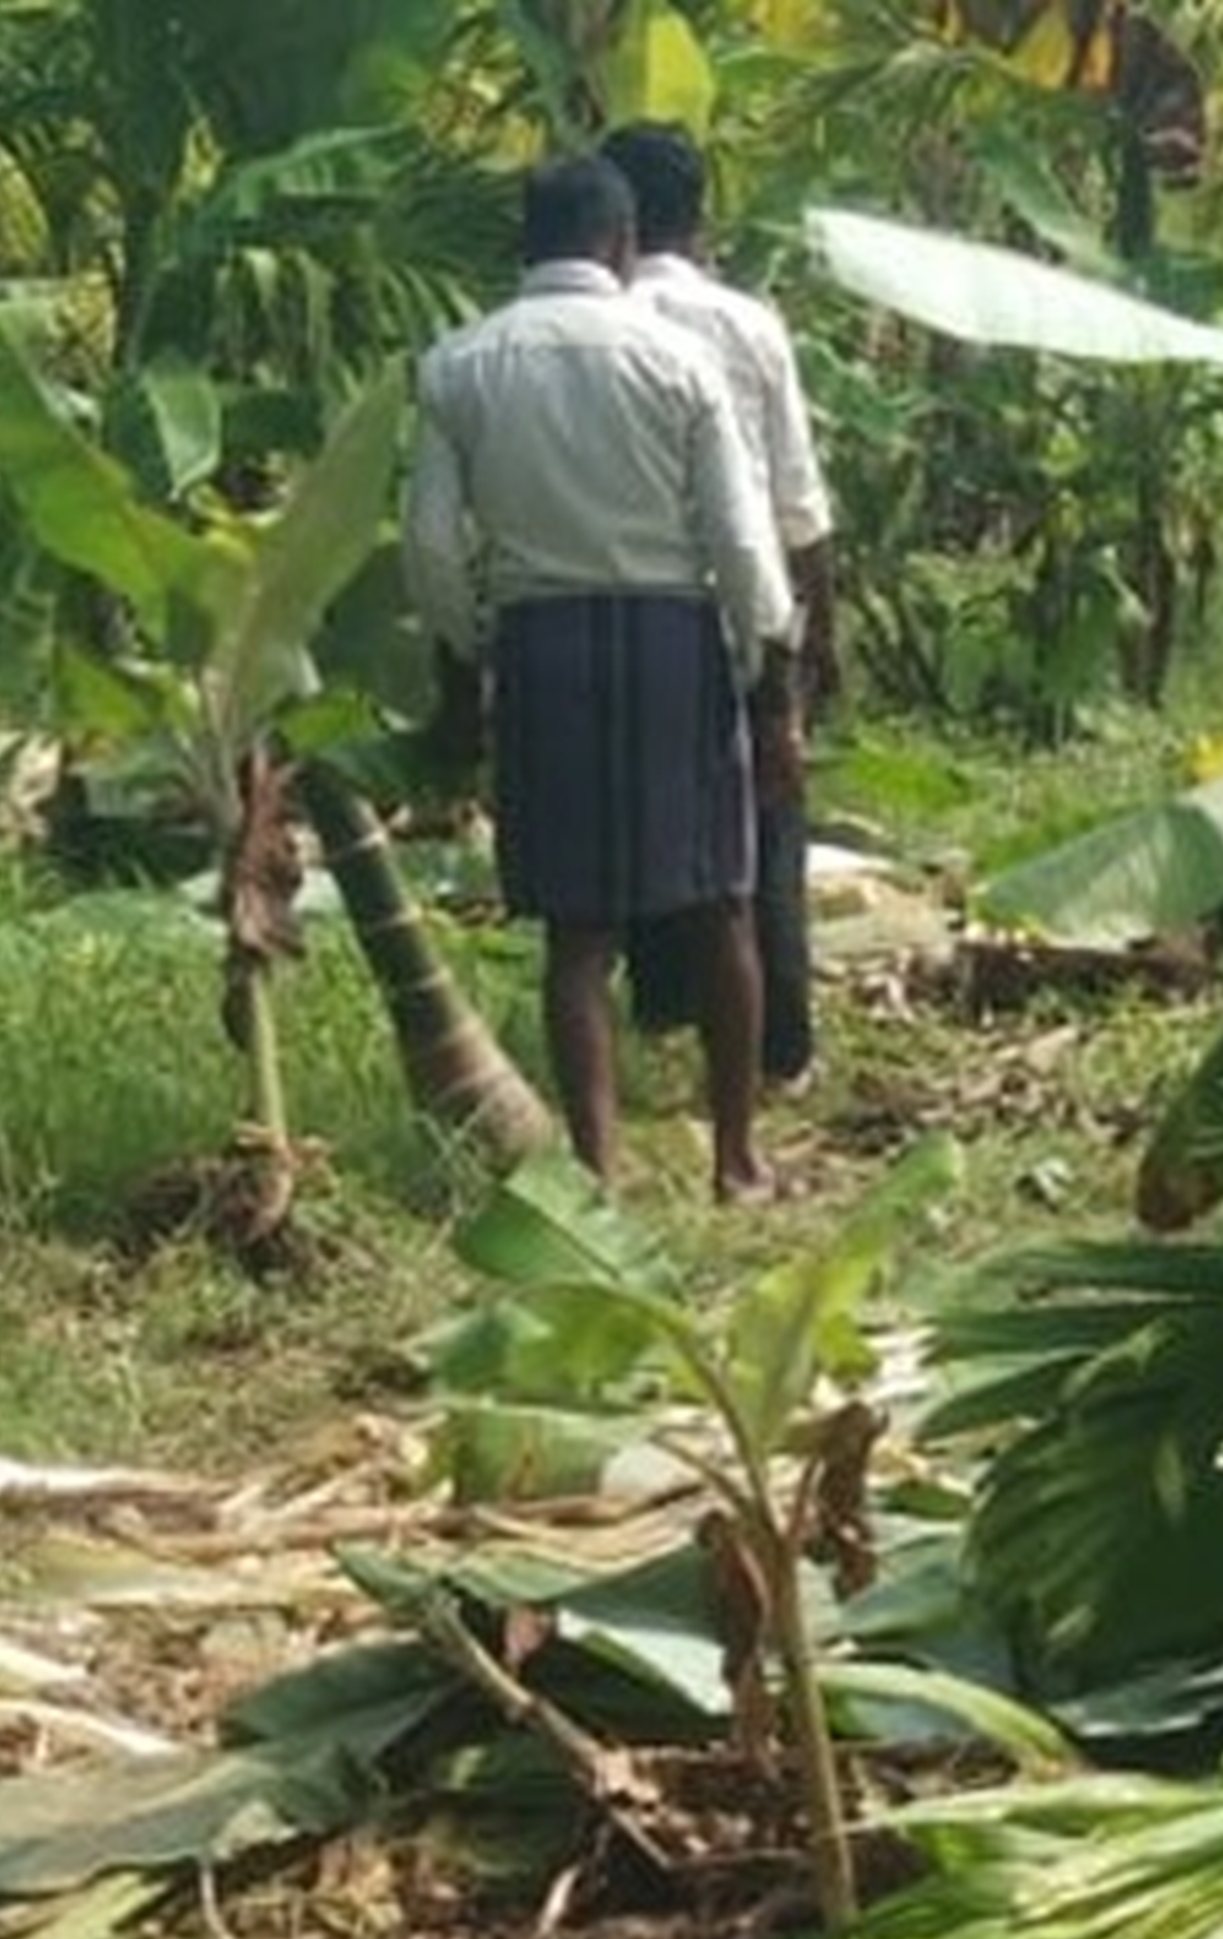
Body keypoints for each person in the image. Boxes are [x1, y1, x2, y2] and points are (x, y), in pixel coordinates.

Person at [405, 149, 795, 1196]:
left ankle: (596, 1171)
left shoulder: (458, 365)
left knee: (577, 934)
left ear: (523, 245)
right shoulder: (678, 360)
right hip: (672, 637)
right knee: (718, 900)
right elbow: (740, 540)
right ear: (621, 243)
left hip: (542, 642)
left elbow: (435, 550)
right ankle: (736, 1157)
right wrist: (760, 664)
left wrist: (470, 654)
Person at [605, 120, 834, 1101]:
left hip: (619, 602)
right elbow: (796, 500)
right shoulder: (747, 324)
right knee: (765, 824)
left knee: (642, 814)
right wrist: (819, 626)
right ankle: (778, 1044)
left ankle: (664, 1010)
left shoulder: (582, 332)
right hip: (744, 605)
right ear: (701, 216)